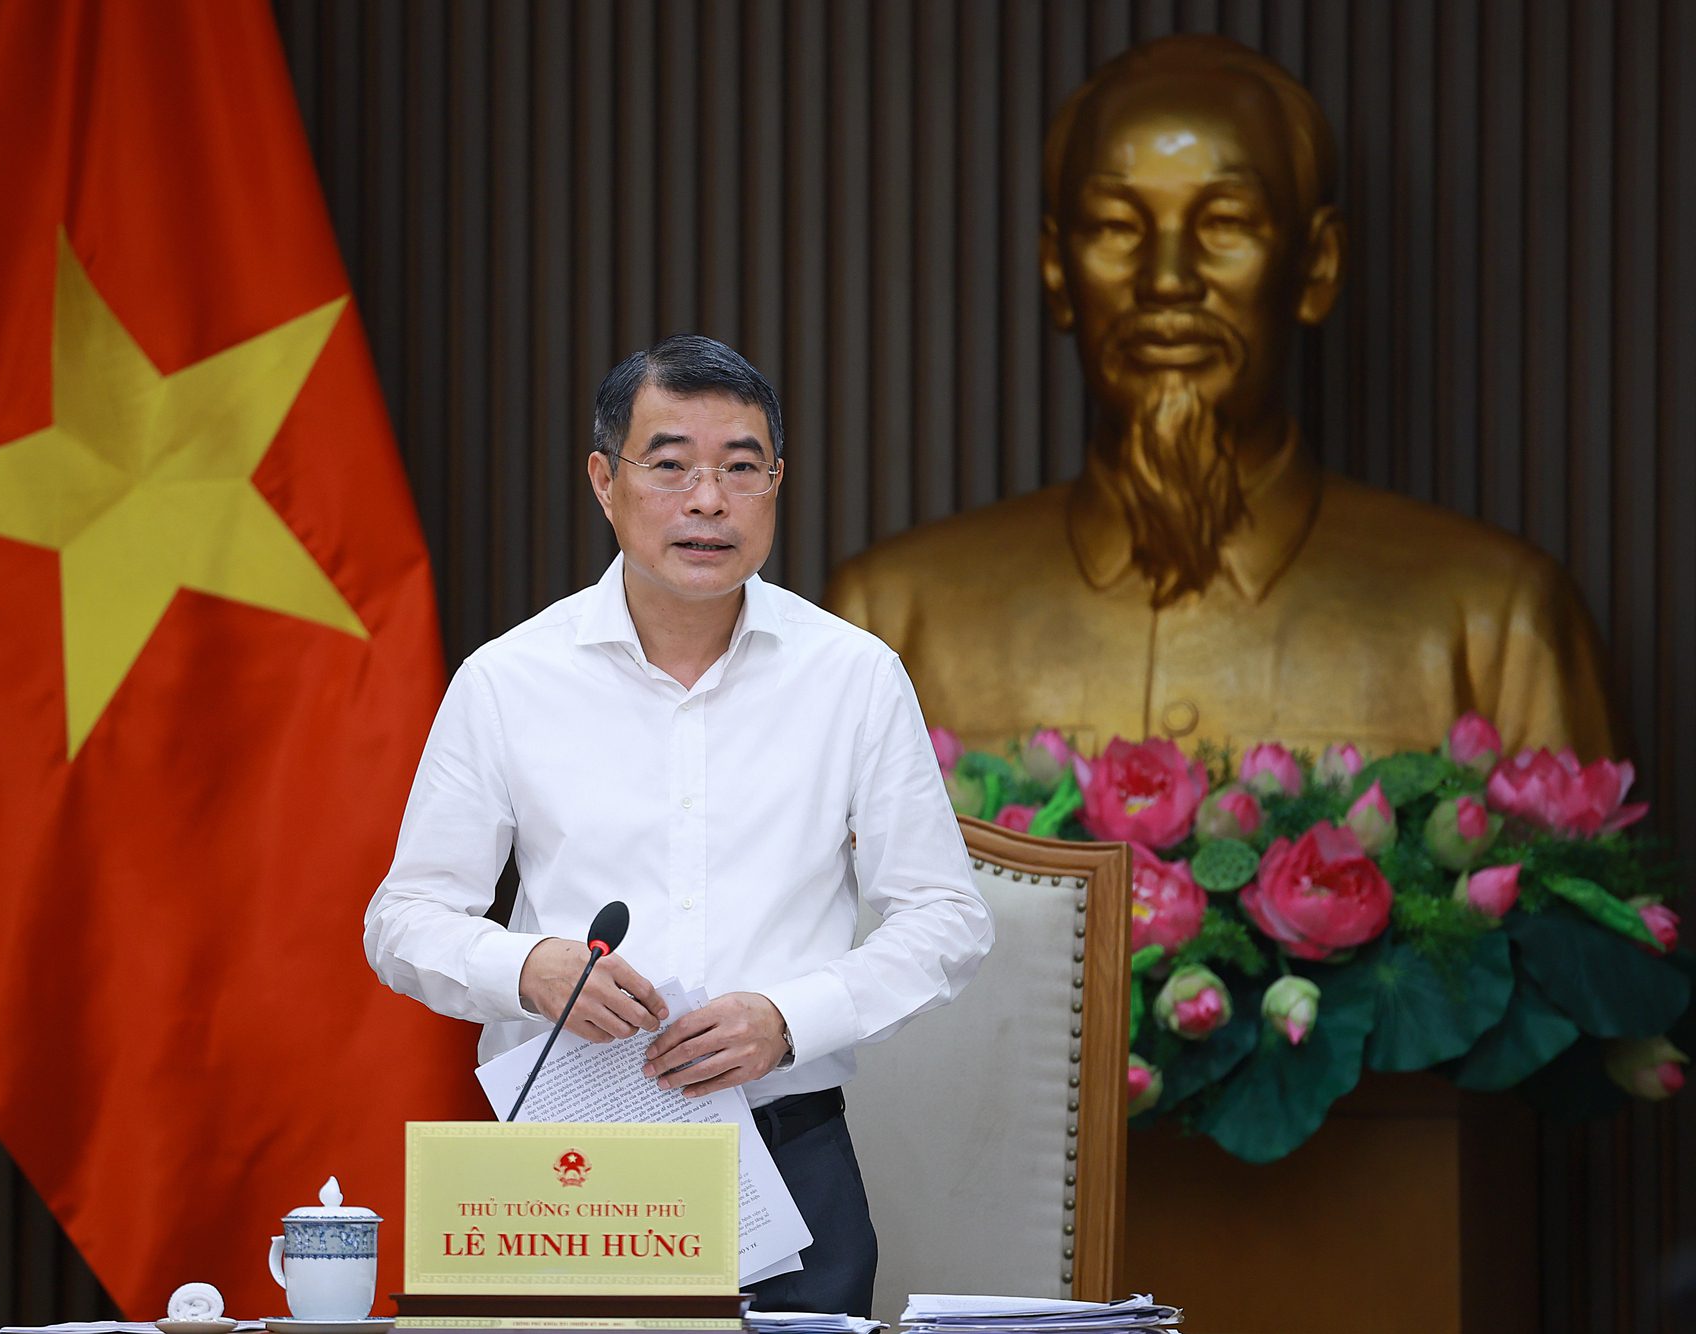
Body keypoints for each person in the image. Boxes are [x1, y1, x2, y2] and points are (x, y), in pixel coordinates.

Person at [365, 334, 994, 1316]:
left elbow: (946, 918)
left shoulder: (853, 675)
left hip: (787, 1149)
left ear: (776, 484)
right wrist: (526, 968)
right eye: (669, 466)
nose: (708, 501)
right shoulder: (508, 680)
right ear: (604, 482)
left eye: (741, 468)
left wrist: (789, 1017)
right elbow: (402, 919)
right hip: (570, 1168)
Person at [825, 34, 1616, 763]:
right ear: (1058, 271)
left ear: (1317, 266)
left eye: (1226, 222)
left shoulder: (1500, 630)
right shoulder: (889, 625)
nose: (1168, 279)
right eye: (1116, 226)